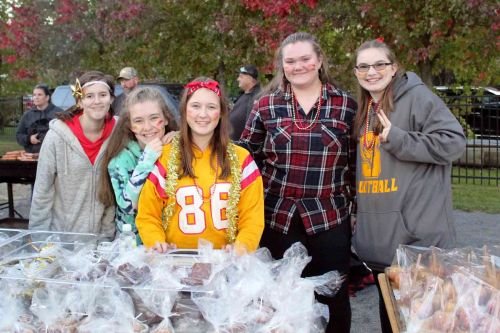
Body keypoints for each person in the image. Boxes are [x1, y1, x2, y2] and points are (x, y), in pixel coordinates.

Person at [239, 32, 356, 333]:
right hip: (278, 218)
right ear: (282, 65)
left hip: (329, 217)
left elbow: (356, 164)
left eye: (305, 59)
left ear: (319, 60)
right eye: (290, 61)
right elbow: (246, 158)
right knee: (280, 297)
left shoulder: (346, 105)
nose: (298, 66)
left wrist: (355, 211)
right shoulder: (265, 105)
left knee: (333, 295)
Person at [350, 39, 466, 333]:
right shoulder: (365, 108)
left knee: (424, 326)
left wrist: (399, 139)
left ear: (394, 67)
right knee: (392, 324)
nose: (371, 72)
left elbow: (454, 143)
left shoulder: (418, 98)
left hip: (417, 245)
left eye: (379, 64)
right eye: (363, 66)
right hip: (382, 248)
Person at [136, 77, 264, 253]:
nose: (202, 114)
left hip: (225, 263)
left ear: (221, 113)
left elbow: (252, 217)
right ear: (185, 110)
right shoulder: (165, 157)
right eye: (195, 106)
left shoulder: (241, 159)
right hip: (175, 262)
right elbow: (148, 214)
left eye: (211, 107)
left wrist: (242, 246)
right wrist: (156, 242)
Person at [29, 71, 117, 240]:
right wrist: (40, 241)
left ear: (111, 99)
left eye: (103, 95)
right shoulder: (57, 136)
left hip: (105, 241)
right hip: (64, 239)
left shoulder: (119, 134)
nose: (97, 101)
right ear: (80, 101)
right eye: (89, 96)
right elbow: (42, 191)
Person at [98, 86, 178, 244]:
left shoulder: (175, 149)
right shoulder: (120, 160)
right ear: (129, 125)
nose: (147, 127)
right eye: (138, 121)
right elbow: (128, 206)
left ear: (166, 118)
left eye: (154, 118)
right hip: (135, 248)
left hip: (171, 244)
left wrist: (183, 142)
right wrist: (147, 161)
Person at [16, 84, 63, 153]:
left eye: (39, 95)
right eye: (34, 95)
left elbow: (67, 135)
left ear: (47, 97)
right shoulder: (28, 115)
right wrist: (29, 138)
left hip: (54, 155)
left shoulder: (59, 113)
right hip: (32, 157)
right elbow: (19, 135)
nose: (36, 97)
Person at [229, 65, 261, 141]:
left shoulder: (259, 97)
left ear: (250, 78)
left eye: (241, 76)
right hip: (232, 145)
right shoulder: (242, 95)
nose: (238, 79)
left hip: (246, 148)